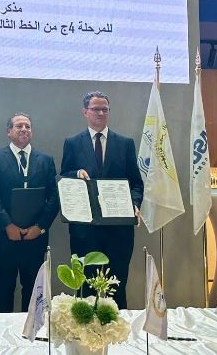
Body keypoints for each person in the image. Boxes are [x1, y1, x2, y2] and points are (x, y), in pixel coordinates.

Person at [60, 91, 143, 309]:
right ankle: (86, 329)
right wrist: (75, 173)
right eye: (96, 109)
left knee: (117, 286)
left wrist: (134, 205)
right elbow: (64, 177)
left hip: (119, 230)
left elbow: (136, 183)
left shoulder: (125, 143)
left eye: (105, 109)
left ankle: (118, 328)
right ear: (85, 112)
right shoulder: (72, 143)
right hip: (85, 230)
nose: (101, 113)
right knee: (86, 288)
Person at [0, 113, 58, 313]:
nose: (24, 129)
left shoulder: (46, 160)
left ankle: (31, 331)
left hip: (35, 238)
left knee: (34, 291)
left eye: (27, 126)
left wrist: (40, 227)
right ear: (9, 132)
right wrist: (8, 225)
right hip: (4, 237)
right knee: (5, 288)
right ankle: (3, 330)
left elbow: (54, 197)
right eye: (19, 126)